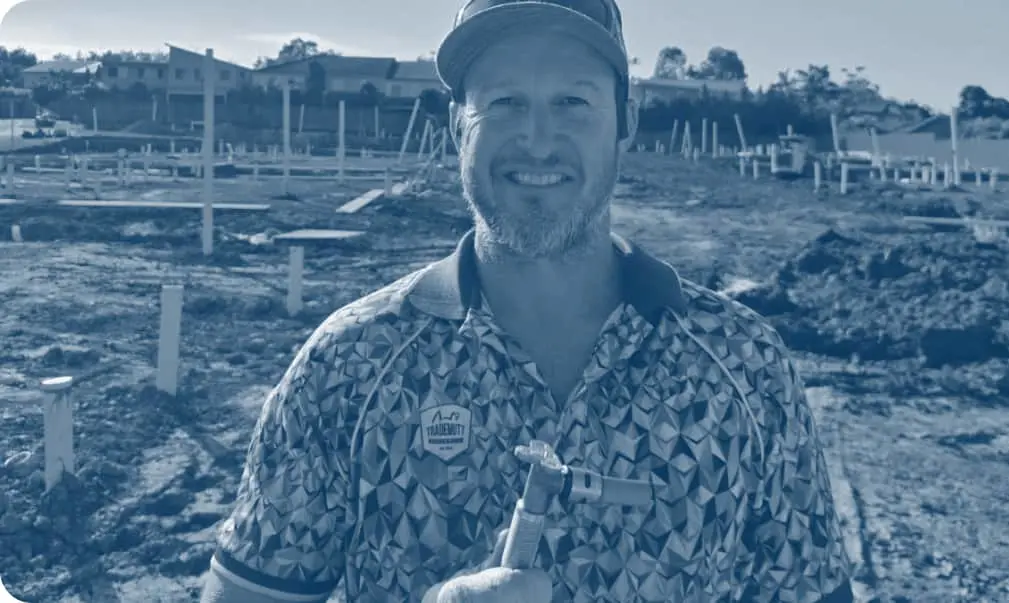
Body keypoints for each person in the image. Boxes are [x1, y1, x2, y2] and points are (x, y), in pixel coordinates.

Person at [198, 0, 857, 601]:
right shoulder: (350, 365)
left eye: (573, 102)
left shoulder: (744, 366)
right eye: (506, 101)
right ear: (458, 123)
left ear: (626, 120)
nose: (538, 140)